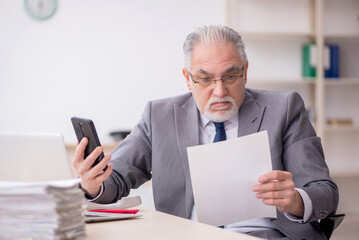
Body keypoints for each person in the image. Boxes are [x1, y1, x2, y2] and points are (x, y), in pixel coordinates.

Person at [73, 25, 339, 239]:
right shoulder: (159, 116)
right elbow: (115, 180)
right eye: (205, 79)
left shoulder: (285, 108)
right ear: (187, 78)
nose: (220, 91)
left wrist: (295, 201)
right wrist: (92, 184)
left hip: (264, 234)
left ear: (245, 72)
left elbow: (324, 192)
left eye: (230, 76)